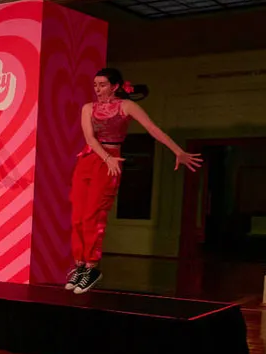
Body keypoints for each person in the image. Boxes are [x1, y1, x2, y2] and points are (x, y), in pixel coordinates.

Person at [69, 66, 201, 294]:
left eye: (102, 85)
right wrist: (105, 156)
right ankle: (80, 265)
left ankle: (92, 267)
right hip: (90, 160)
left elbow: (152, 129)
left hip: (110, 162)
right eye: (95, 85)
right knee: (77, 217)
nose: (97, 89)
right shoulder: (88, 108)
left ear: (115, 86)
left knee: (94, 214)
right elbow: (89, 138)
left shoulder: (126, 106)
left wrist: (177, 150)